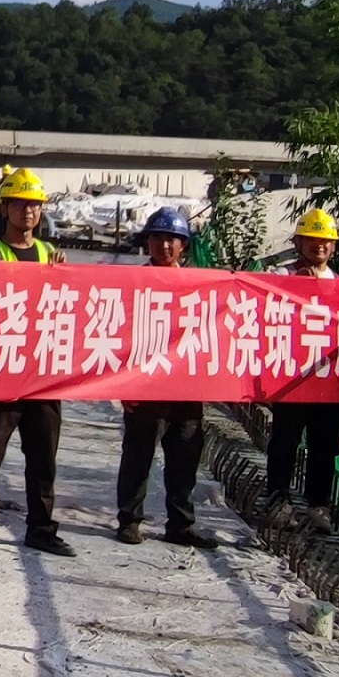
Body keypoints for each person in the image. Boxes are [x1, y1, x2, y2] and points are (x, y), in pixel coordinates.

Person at [0, 165, 73, 556]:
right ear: (5, 208)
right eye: (20, 204)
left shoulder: (51, 257)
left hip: (42, 373)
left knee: (44, 456)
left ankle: (41, 528)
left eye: (34, 205)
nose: (27, 212)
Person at [117, 203, 208, 548]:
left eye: (173, 239)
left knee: (185, 459)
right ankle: (129, 520)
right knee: (138, 457)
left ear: (183, 246)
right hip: (146, 387)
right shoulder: (134, 284)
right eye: (158, 239)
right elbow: (121, 334)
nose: (165, 246)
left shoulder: (198, 286)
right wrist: (124, 384)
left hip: (185, 389)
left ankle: (181, 525)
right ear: (148, 243)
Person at [260, 204, 339, 518]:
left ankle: (318, 505)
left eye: (325, 240)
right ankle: (278, 500)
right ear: (298, 243)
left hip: (329, 380)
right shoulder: (282, 277)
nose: (319, 245)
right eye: (311, 238)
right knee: (285, 441)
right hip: (292, 378)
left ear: (334, 246)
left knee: (324, 446)